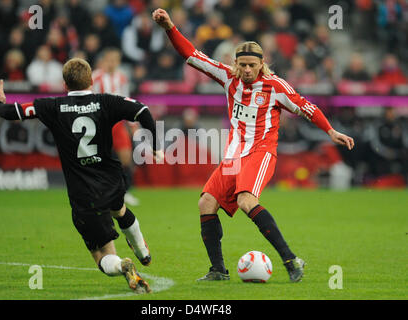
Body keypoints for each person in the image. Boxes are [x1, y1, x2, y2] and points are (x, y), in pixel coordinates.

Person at [152, 8, 355, 282]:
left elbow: (307, 106)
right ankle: (218, 270)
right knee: (205, 202)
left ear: (262, 64)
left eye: (252, 65)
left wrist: (330, 130)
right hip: (233, 156)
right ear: (236, 64)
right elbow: (190, 55)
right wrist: (169, 27)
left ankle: (290, 259)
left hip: (260, 153)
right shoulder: (228, 77)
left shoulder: (275, 87)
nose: (247, 70)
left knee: (246, 200)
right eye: (243, 65)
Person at [0, 58, 164, 294]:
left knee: (102, 255)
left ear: (65, 84)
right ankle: (142, 251)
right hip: (111, 180)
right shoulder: (105, 102)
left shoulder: (52, 106)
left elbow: (12, 112)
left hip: (84, 192)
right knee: (119, 208)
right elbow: (142, 110)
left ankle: (123, 265)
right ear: (92, 80)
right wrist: (154, 144)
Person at [92, 47, 140, 206]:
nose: (112, 63)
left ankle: (125, 192)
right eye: (109, 59)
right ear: (105, 60)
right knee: (99, 159)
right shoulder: (95, 77)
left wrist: (133, 124)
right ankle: (98, 192)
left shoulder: (122, 79)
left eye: (115, 60)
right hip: (101, 123)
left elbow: (126, 101)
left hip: (118, 124)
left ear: (118, 62)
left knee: (126, 159)